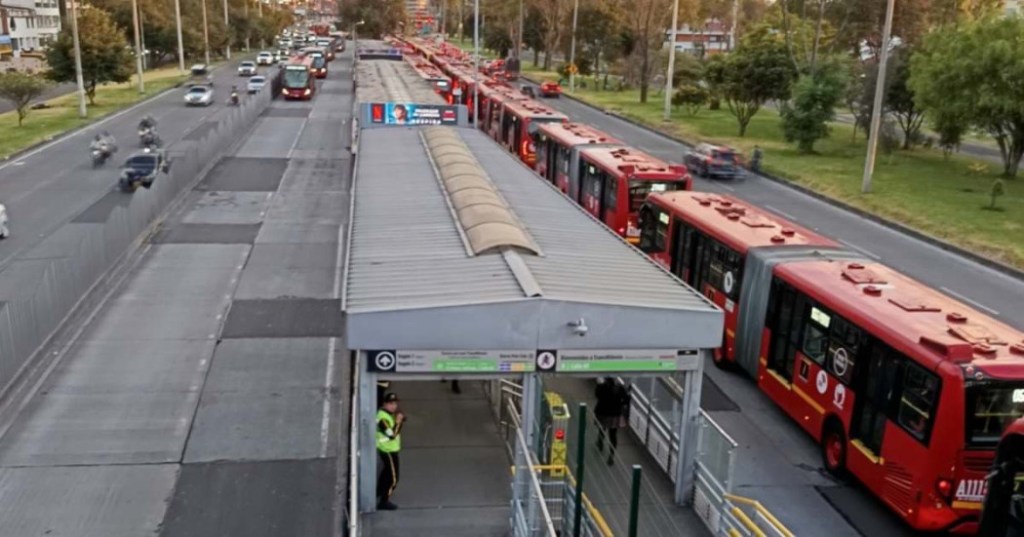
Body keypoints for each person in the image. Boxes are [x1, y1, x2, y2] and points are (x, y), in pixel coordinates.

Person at [377, 392, 404, 511]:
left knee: (386, 473)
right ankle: (384, 501)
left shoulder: (388, 414)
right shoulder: (382, 418)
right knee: (393, 479)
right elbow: (392, 435)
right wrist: (398, 422)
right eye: (390, 403)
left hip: (390, 449)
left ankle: (378, 491)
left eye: (395, 403)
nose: (393, 406)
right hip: (387, 450)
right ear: (384, 404)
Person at [594, 377, 629, 466]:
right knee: (613, 435)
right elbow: (626, 399)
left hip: (603, 412)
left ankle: (600, 442)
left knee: (602, 428)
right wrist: (619, 404)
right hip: (615, 414)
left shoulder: (602, 387)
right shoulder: (619, 388)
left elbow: (597, 395)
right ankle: (611, 455)